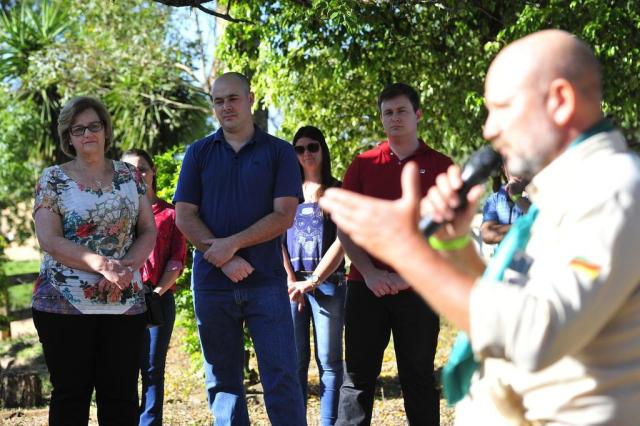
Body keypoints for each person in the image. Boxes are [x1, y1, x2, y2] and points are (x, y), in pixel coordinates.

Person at [320, 30, 640, 425]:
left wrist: (410, 254)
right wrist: (457, 248)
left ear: (560, 101)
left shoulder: (612, 190)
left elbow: (536, 336)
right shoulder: (567, 190)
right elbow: (517, 300)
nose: (490, 130)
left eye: (502, 108)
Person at [173, 72, 307, 425]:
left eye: (232, 98)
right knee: (223, 382)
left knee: (281, 377)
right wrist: (225, 260)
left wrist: (231, 245)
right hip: (213, 285)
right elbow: (184, 216)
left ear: (251, 98)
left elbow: (284, 215)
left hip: (265, 282)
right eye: (218, 101)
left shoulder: (279, 153)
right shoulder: (198, 153)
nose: (225, 107)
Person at [32, 96, 157, 425]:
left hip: (124, 301)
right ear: (68, 137)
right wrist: (101, 264)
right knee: (71, 397)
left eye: (94, 126)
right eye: (79, 128)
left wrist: (125, 268)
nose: (88, 133)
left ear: (105, 130)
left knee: (121, 398)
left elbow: (147, 230)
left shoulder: (130, 176)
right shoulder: (52, 179)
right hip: (63, 304)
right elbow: (49, 239)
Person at [335, 83, 453, 425]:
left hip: (418, 289)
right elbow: (346, 226)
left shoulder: (442, 166)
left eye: (401, 111)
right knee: (357, 381)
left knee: (418, 379)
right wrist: (371, 273)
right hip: (365, 286)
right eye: (388, 112)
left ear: (418, 115)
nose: (394, 118)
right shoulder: (362, 164)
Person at [282, 126, 346, 425]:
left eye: (312, 147)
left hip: (328, 285)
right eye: (299, 148)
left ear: (323, 149)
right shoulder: (286, 192)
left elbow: (344, 240)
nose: (306, 153)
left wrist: (315, 280)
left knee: (330, 364)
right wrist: (292, 281)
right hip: (292, 288)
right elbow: (277, 238)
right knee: (295, 364)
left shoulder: (338, 190)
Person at [121, 149, 187, 426]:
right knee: (122, 370)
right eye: (129, 170)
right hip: (120, 302)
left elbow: (176, 260)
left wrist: (157, 293)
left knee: (151, 369)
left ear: (153, 171)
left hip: (157, 299)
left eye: (142, 169)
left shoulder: (171, 215)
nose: (137, 175)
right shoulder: (116, 217)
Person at [480, 167, 530, 251]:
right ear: (504, 169)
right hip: (507, 262)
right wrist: (527, 227)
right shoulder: (495, 198)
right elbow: (487, 235)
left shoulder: (541, 192)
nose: (515, 170)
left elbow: (544, 227)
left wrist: (517, 197)